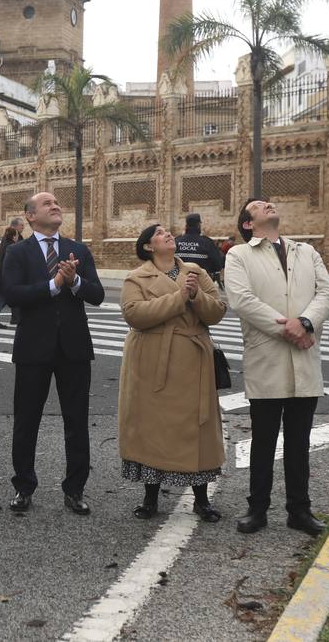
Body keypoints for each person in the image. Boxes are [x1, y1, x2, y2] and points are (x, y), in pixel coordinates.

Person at [223, 198, 329, 536]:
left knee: (300, 441)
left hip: (304, 355)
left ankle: (299, 510)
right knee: (264, 440)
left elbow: (327, 292)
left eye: (269, 202)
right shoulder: (238, 255)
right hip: (267, 356)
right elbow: (242, 301)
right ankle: (257, 509)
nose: (268, 204)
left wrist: (306, 322)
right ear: (248, 224)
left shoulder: (306, 251)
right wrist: (290, 328)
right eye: (259, 205)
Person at [1, 191, 105, 515]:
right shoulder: (18, 252)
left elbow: (98, 294)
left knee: (76, 421)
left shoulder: (77, 250)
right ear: (31, 216)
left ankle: (75, 490)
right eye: (47, 204)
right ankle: (23, 487)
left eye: (57, 203)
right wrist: (53, 284)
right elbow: (11, 294)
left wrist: (74, 282)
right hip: (33, 347)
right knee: (26, 420)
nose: (55, 206)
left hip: (73, 348)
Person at [119, 224, 227, 522]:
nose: (169, 234)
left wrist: (196, 297)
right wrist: (181, 297)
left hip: (193, 358)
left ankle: (201, 499)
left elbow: (217, 310)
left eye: (169, 231)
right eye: (160, 233)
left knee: (198, 425)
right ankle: (150, 497)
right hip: (152, 361)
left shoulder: (195, 271)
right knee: (151, 427)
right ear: (148, 247)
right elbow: (135, 314)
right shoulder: (136, 277)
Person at [174, 213, 224, 285]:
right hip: (202, 284)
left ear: (186, 226)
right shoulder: (207, 242)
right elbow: (218, 264)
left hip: (179, 283)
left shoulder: (176, 241)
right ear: (198, 225)